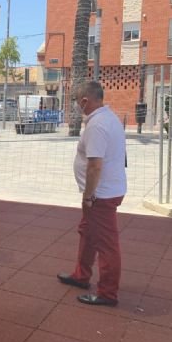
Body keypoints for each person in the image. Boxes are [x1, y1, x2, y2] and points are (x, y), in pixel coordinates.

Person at [57, 81, 127, 306]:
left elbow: (95, 166)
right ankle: (81, 275)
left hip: (100, 195)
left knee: (106, 244)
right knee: (87, 232)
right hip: (103, 191)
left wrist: (88, 196)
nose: (76, 106)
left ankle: (108, 293)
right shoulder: (109, 118)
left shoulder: (97, 125)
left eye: (77, 102)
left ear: (85, 100)